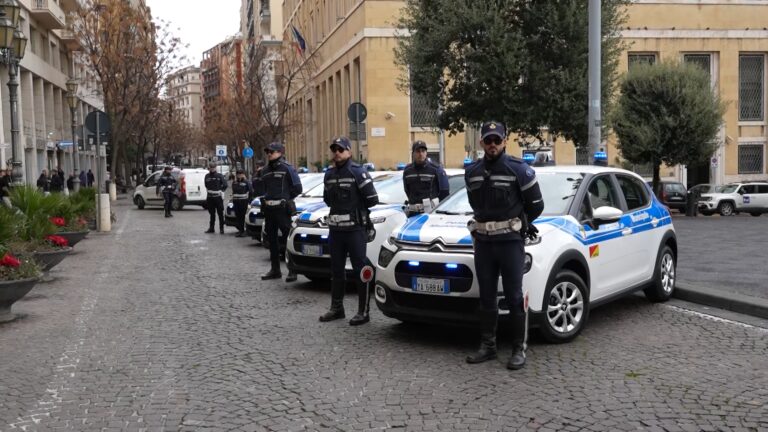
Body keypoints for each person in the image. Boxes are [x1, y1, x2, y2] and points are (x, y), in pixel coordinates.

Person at [464, 121, 544, 371]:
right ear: (481, 143)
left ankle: (518, 348)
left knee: (513, 296)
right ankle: (488, 346)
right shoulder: (472, 172)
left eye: (497, 140)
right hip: (484, 244)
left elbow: (536, 205)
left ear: (505, 141)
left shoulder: (519, 170)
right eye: (488, 140)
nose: (492, 145)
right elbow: (475, 204)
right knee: (486, 296)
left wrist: (523, 221)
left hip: (510, 242)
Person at [319, 137, 379, 326]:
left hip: (355, 230)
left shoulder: (358, 172)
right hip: (336, 230)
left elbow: (372, 199)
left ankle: (363, 311)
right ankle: (337, 308)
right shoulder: (328, 174)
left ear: (349, 152)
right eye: (334, 149)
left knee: (360, 269)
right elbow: (328, 200)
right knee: (336, 269)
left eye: (341, 149)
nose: (337, 152)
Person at [259, 142, 302, 282]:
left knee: (287, 239)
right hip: (269, 210)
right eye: (268, 152)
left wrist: (286, 199)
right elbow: (263, 188)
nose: (269, 154)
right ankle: (275, 269)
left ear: (280, 153)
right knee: (272, 240)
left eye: (272, 152)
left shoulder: (287, 168)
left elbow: (297, 188)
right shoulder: (265, 170)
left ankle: (292, 270)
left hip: (282, 210)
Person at [402, 140, 450, 216]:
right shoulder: (408, 170)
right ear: (413, 153)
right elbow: (407, 190)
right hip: (413, 212)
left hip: (431, 212)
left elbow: (444, 192)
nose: (421, 154)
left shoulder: (436, 169)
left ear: (426, 153)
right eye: (418, 151)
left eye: (423, 151)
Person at [204, 163, 228, 233]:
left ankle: (221, 229)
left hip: (218, 197)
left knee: (220, 213)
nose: (212, 169)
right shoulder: (207, 176)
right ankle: (211, 228)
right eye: (211, 168)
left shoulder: (219, 176)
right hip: (210, 197)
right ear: (209, 168)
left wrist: (221, 191)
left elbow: (225, 185)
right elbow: (206, 185)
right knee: (212, 214)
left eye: (213, 168)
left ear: (215, 168)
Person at [231, 169, 253, 238]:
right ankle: (240, 230)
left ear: (243, 175)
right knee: (238, 217)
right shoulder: (234, 182)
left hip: (243, 201)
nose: (239, 175)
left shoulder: (246, 182)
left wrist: (249, 201)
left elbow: (251, 191)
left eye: (240, 174)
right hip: (236, 201)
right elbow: (233, 192)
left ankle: (244, 231)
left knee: (243, 217)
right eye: (238, 174)